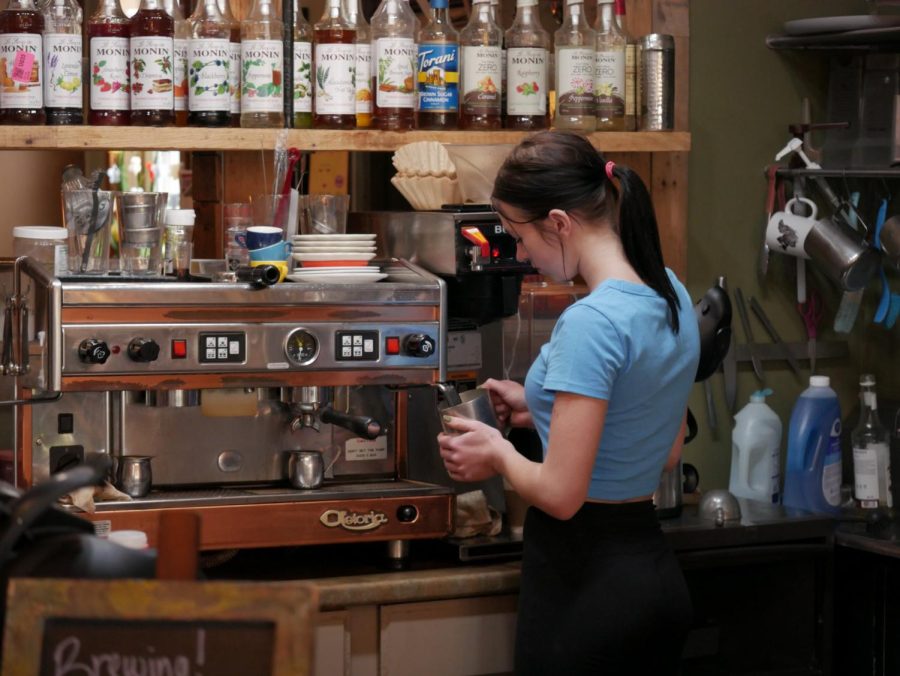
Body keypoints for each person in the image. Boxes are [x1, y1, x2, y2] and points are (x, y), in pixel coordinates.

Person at [437, 130, 700, 674]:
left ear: (559, 222)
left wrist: (497, 452)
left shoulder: (592, 321)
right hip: (650, 578)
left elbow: (560, 495)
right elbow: (663, 448)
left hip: (585, 588)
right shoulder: (669, 292)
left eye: (520, 237)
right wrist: (542, 410)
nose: (522, 255)